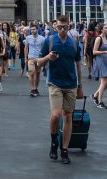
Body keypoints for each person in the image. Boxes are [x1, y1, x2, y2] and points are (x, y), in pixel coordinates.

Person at [37, 15, 84, 165]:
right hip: (54, 82)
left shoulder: (75, 43)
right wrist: (48, 58)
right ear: (55, 27)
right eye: (60, 27)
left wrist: (80, 87)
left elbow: (78, 65)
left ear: (69, 27)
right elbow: (38, 62)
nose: (62, 30)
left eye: (65, 27)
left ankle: (64, 149)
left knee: (68, 117)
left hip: (71, 84)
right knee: (56, 115)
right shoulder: (49, 41)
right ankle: (53, 142)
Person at [90, 28, 107, 109]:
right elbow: (94, 52)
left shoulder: (106, 38)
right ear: (102, 30)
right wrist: (105, 52)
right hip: (100, 60)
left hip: (106, 60)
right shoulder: (98, 38)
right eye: (106, 28)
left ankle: (95, 95)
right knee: (103, 82)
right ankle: (100, 101)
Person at [26, 26, 47, 96]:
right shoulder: (28, 38)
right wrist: (26, 57)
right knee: (31, 73)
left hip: (39, 59)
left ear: (37, 30)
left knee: (37, 74)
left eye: (34, 29)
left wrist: (43, 58)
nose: (32, 31)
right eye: (31, 29)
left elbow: (44, 49)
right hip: (30, 58)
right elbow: (26, 47)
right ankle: (32, 89)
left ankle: (36, 88)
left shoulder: (42, 38)